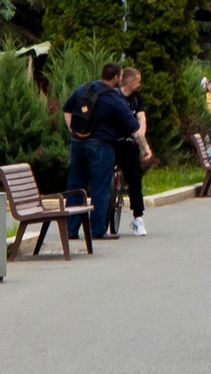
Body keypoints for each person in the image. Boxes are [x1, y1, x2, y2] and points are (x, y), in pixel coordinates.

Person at [63, 61, 138, 241]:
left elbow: (66, 108)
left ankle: (70, 230)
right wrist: (144, 145)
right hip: (101, 145)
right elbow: (132, 126)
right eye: (120, 76)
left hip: (77, 143)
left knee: (75, 185)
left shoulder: (84, 88)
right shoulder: (114, 97)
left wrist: (73, 132)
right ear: (116, 78)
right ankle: (97, 230)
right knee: (100, 187)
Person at [117, 66, 153, 237]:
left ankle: (138, 217)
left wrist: (141, 135)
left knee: (135, 177)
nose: (140, 84)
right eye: (138, 81)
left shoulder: (137, 98)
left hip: (131, 142)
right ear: (130, 81)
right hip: (113, 141)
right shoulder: (115, 96)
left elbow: (141, 118)